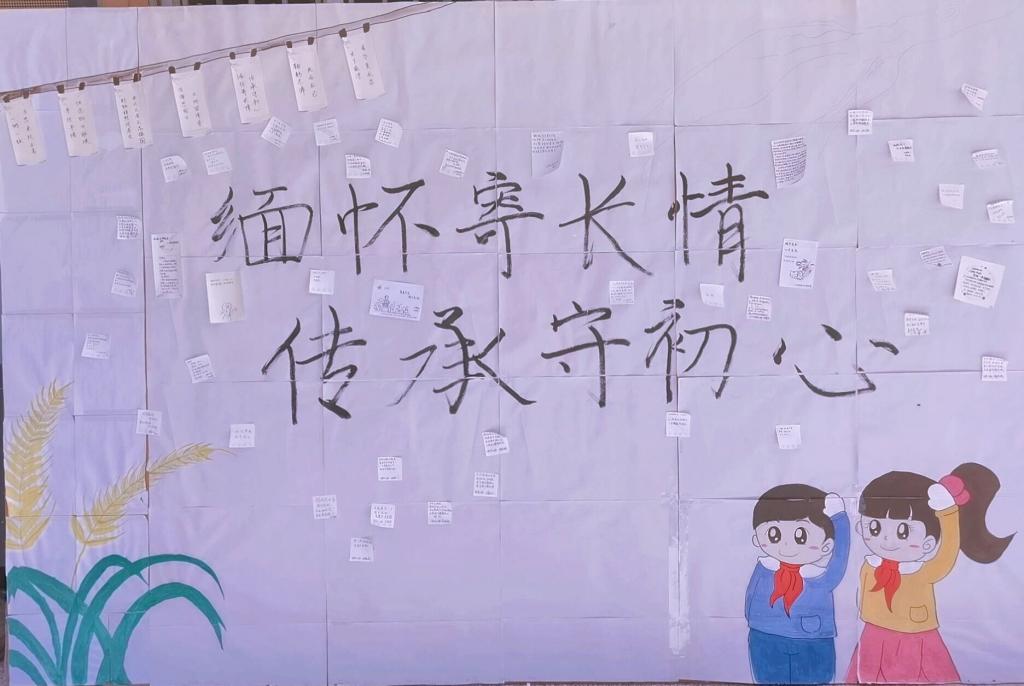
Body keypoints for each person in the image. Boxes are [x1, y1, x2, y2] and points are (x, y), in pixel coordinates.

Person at [846, 463, 1014, 683]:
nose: (886, 540)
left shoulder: (922, 572)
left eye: (903, 531)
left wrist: (947, 513)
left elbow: (947, 552)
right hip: (874, 635)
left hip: (917, 637)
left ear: (928, 542)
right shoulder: (870, 565)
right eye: (875, 528)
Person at [746, 484, 850, 684]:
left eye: (800, 536)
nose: (786, 545)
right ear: (757, 538)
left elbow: (840, 559)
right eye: (774, 534)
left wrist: (839, 519)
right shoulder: (765, 568)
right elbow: (751, 596)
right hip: (764, 636)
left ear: (827, 545)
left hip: (812, 639)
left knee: (816, 678)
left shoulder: (819, 577)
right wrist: (754, 620)